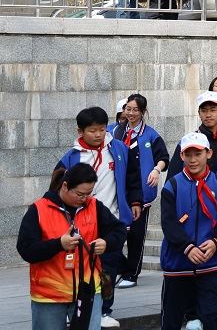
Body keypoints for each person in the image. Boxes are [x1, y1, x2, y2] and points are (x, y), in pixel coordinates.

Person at [54, 107, 143, 329]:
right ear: (80, 131)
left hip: (110, 220)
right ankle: (74, 308)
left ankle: (104, 310)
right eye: (92, 130)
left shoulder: (119, 149)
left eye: (102, 129)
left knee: (108, 268)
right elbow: (57, 187)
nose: (98, 134)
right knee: (77, 267)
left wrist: (135, 202)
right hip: (80, 222)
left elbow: (133, 177)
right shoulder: (72, 157)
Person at [18, 163, 127, 330]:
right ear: (65, 186)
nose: (84, 199)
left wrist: (107, 243)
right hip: (49, 295)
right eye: (80, 194)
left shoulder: (94, 206)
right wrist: (59, 244)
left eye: (89, 193)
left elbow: (119, 230)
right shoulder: (39, 209)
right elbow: (26, 249)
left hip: (88, 290)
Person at [158, 132, 217, 330]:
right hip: (177, 265)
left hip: (210, 264)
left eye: (198, 154)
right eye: (188, 154)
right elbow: (168, 223)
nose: (193, 159)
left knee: (214, 317)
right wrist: (187, 247)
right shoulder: (172, 185)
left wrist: (216, 242)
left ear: (209, 153)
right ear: (181, 156)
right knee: (171, 321)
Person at [110, 94, 169, 289]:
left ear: (143, 112)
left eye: (135, 110)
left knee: (136, 235)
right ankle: (121, 267)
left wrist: (156, 170)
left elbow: (164, 157)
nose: (131, 113)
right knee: (114, 233)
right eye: (128, 109)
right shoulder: (114, 132)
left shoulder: (150, 135)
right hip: (117, 191)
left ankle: (132, 274)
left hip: (141, 192)